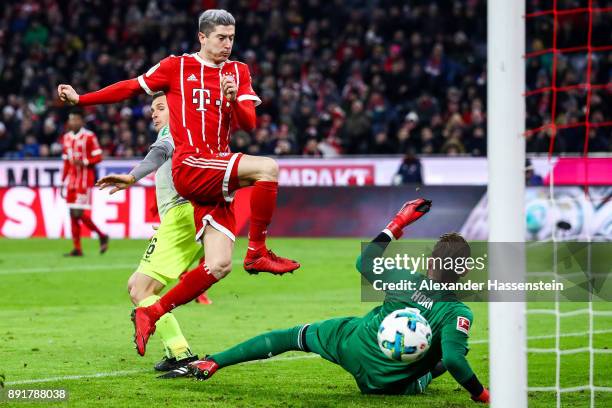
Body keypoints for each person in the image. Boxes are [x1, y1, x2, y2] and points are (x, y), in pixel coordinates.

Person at [57, 9, 299, 355]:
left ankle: (154, 312)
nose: (227, 45)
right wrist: (83, 99)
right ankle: (258, 251)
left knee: (218, 265)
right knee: (268, 168)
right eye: (220, 38)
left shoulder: (238, 71)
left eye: (231, 38)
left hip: (215, 173)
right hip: (191, 165)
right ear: (202, 37)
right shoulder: (176, 67)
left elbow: (248, 124)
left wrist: (232, 100)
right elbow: (130, 88)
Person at [162, 199, 490, 404]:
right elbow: (456, 362)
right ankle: (424, 375)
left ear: (431, 261)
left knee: (293, 336)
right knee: (448, 354)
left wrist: (397, 224)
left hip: (353, 343)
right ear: (462, 272)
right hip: (387, 385)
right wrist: (482, 395)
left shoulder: (404, 277)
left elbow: (364, 263)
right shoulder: (458, 312)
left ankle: (213, 362)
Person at [96, 93, 211, 371]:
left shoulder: (174, 131)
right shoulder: (194, 133)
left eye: (160, 107)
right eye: (151, 109)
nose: (153, 113)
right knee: (137, 285)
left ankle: (182, 354)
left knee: (140, 288)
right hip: (185, 215)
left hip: (180, 214)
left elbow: (159, 152)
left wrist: (132, 176)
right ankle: (177, 350)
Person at [60, 108, 109, 256]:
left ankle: (101, 235)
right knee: (72, 213)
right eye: (71, 119)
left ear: (81, 121)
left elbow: (99, 156)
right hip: (71, 181)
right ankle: (77, 248)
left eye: (75, 119)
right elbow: (66, 162)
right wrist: (62, 181)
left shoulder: (89, 136)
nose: (72, 122)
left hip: (84, 180)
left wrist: (85, 162)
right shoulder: (66, 137)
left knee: (78, 212)